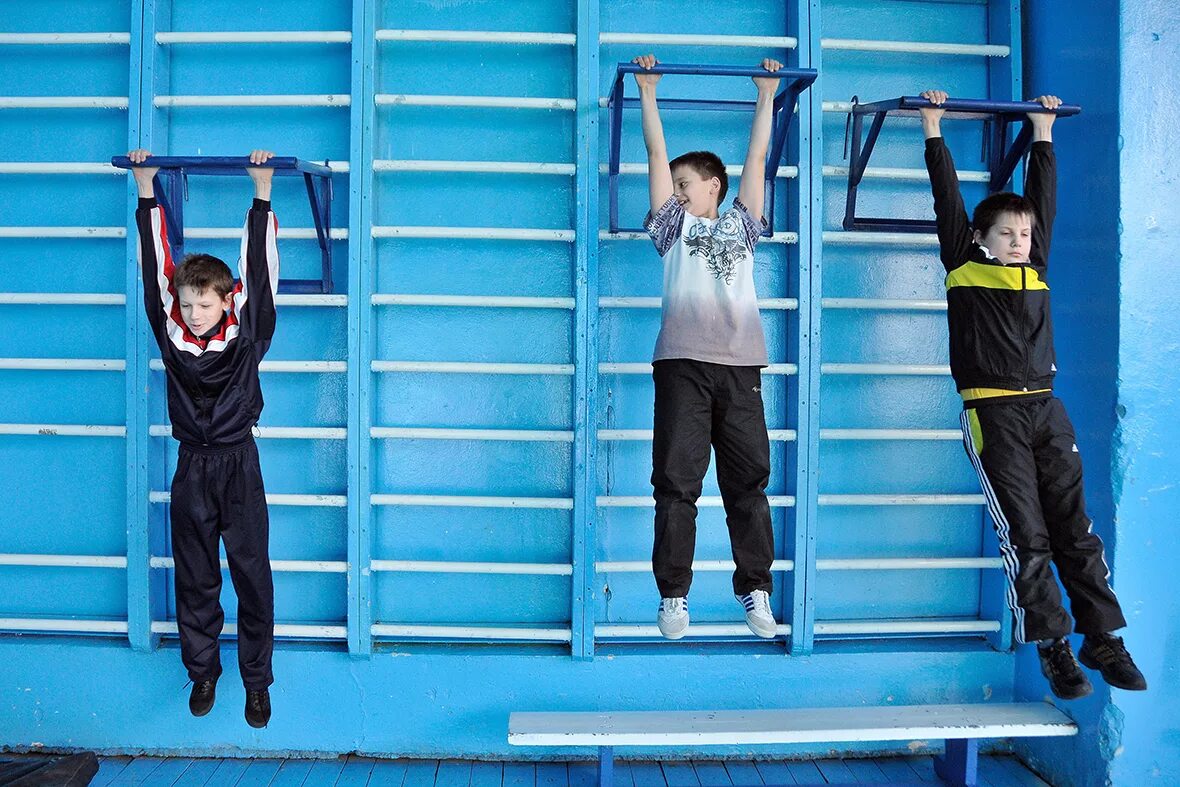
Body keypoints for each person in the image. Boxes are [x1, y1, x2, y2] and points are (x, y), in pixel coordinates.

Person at [919, 90, 1146, 698]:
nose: (1021, 239)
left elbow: (1043, 204)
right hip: (993, 414)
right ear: (982, 238)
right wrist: (933, 129)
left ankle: (1102, 638)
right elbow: (948, 203)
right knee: (1028, 534)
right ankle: (1052, 645)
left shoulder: (1035, 268)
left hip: (1047, 409)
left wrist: (1042, 132)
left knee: (1076, 529)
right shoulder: (964, 267)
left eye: (1024, 233)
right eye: (1008, 232)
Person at [128, 148, 280, 726]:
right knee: (195, 577)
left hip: (240, 465)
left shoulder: (248, 336)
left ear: (226, 301)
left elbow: (260, 274)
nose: (192, 313)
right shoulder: (171, 335)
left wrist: (261, 192)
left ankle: (257, 682)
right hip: (192, 466)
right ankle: (203, 673)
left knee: (251, 575)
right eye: (186, 304)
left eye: (204, 303)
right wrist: (146, 191)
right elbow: (156, 270)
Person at [633, 54, 779, 640]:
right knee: (676, 481)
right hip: (682, 368)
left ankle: (755, 588)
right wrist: (648, 93)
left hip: (740, 366)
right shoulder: (673, 228)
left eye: (685, 181)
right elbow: (652, 157)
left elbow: (760, 159)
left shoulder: (742, 227)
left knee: (748, 482)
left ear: (713, 185)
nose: (677, 188)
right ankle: (674, 596)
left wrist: (766, 94)